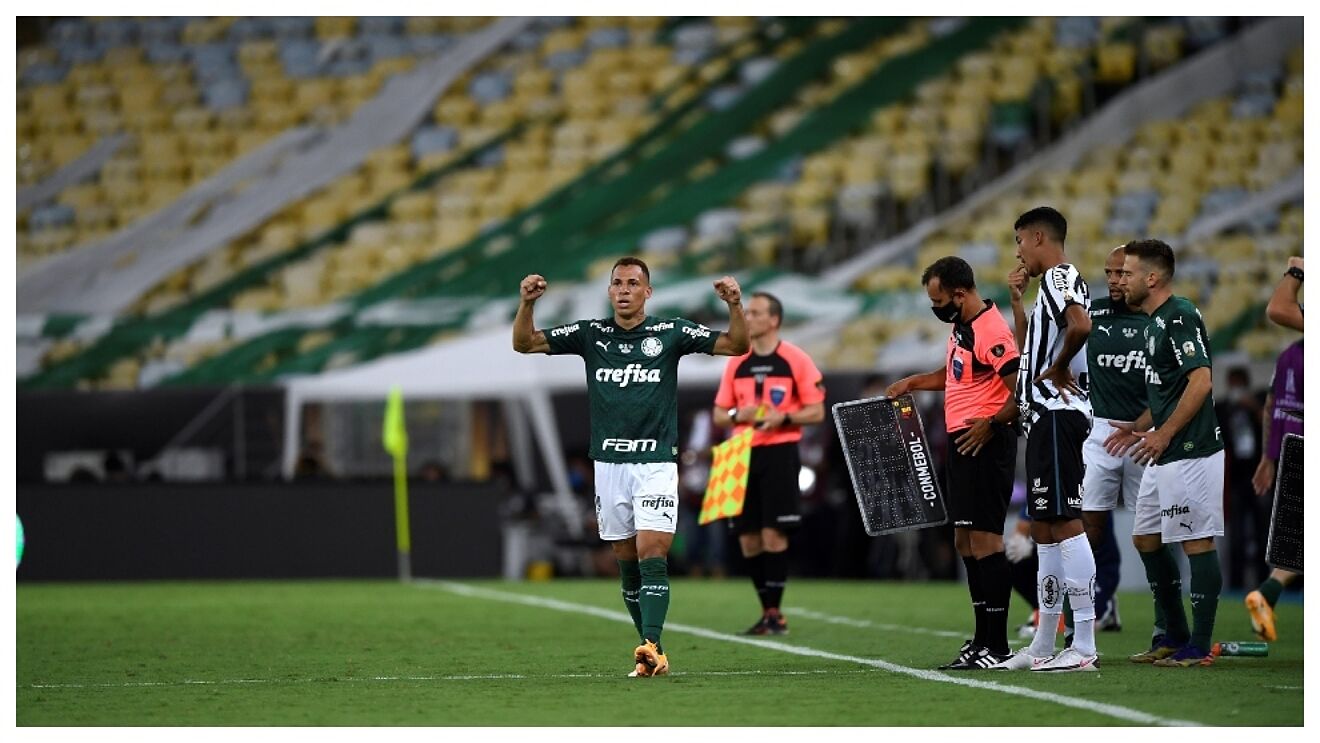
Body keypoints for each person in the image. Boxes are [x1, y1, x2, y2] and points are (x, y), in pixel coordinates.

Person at [512, 257, 749, 677]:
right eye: (617, 283)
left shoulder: (670, 332)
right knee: (625, 560)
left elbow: (735, 345)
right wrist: (527, 304)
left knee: (651, 553)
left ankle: (652, 644)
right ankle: (652, 649)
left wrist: (734, 304)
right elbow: (524, 343)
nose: (623, 289)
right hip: (609, 465)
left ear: (647, 292)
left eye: (633, 283)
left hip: (656, 461)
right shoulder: (591, 334)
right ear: (610, 292)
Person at [887, 256, 1020, 670]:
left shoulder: (991, 330)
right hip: (963, 441)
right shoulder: (963, 328)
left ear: (960, 293)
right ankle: (981, 639)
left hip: (986, 443)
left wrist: (992, 425)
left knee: (986, 542)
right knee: (964, 541)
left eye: (939, 299)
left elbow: (1021, 389)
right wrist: (912, 382)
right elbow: (956, 375)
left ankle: (997, 646)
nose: (936, 307)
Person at [1106, 239, 1225, 668]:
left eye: (1128, 273)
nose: (1121, 280)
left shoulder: (1179, 315)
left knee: (1196, 541)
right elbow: (1169, 388)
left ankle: (1201, 643)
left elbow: (1201, 382)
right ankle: (1173, 634)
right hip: (1164, 447)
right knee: (1146, 538)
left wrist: (1164, 433)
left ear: (1151, 278)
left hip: (1191, 448)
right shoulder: (1154, 321)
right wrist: (1139, 426)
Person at [996, 206, 1098, 673]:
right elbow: (1031, 349)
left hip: (1057, 413)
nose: (1017, 250)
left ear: (1038, 237)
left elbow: (1080, 325)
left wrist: (1058, 371)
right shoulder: (1046, 289)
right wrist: (1018, 303)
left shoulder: (1060, 276)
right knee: (1043, 529)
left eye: (1019, 241)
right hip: (1042, 416)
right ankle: (1042, 644)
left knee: (1064, 522)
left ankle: (1084, 645)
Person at [711, 292, 826, 635]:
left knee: (773, 533)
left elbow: (817, 410)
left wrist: (783, 417)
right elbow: (719, 413)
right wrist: (736, 414)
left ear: (774, 320)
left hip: (779, 450)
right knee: (747, 538)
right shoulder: (737, 360)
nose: (748, 317)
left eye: (756, 312)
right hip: (738, 453)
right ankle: (768, 612)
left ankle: (774, 613)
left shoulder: (795, 359)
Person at [1078, 245, 1154, 633]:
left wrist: (1140, 424)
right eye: (1108, 273)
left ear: (1141, 276)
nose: (1113, 280)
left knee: (1150, 532)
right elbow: (1039, 349)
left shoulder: (1159, 318)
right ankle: (1087, 612)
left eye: (1121, 273)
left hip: (1147, 433)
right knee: (1087, 524)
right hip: (1102, 432)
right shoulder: (1092, 311)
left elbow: (1175, 387)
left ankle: (1167, 620)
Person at [1244, 260, 1305, 640]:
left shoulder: (1289, 356)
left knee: (1300, 538)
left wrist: (1268, 457)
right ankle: (1268, 593)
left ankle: (1268, 593)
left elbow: (1270, 404)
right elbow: (1278, 308)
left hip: (1290, 449)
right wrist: (1297, 272)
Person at [1215, 366, 1265, 589]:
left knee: (1263, 531)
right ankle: (1235, 585)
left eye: (1239, 383)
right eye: (1232, 383)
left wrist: (1252, 407)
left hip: (1259, 475)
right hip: (1234, 479)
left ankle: (1263, 582)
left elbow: (1270, 426)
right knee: (1236, 534)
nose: (1236, 388)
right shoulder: (1223, 408)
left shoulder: (1259, 403)